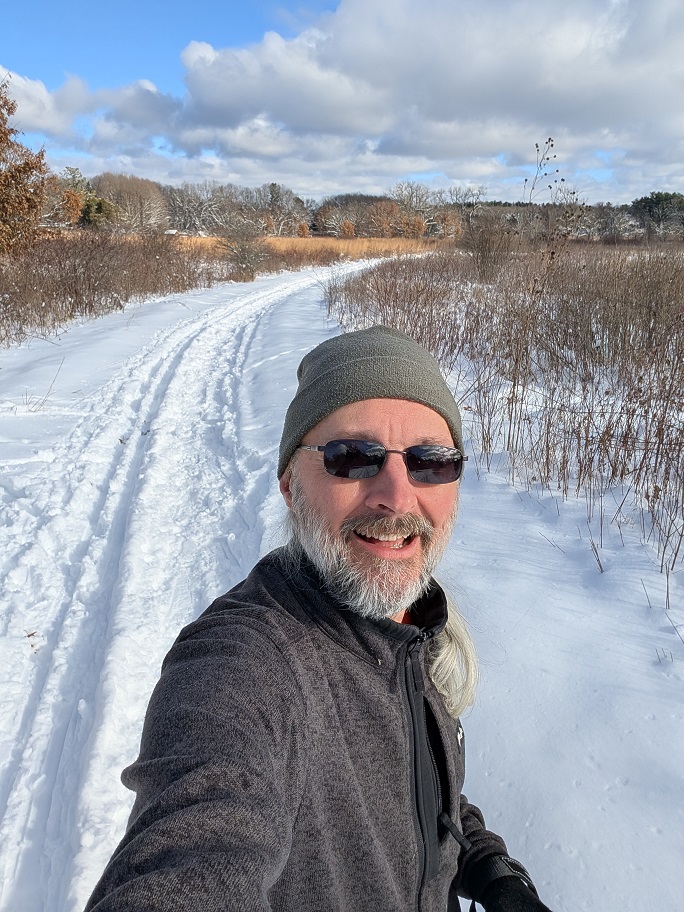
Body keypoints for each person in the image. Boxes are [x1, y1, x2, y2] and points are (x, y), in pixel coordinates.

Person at [86, 325, 554, 912]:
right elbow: (198, 839)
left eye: (430, 462)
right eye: (352, 459)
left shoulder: (410, 624)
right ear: (289, 484)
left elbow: (418, 790)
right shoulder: (246, 662)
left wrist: (490, 871)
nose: (398, 496)